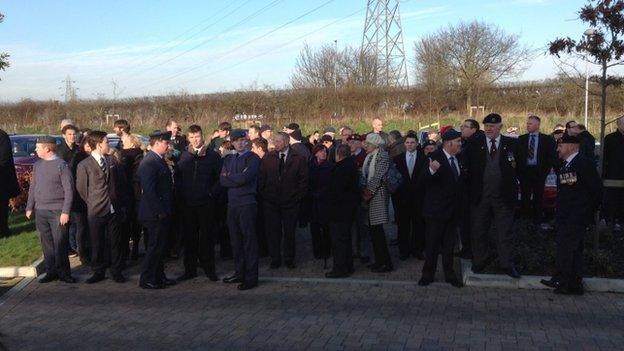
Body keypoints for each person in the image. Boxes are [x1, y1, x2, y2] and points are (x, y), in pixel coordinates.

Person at [541, 135, 602, 295]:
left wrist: (587, 211)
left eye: (560, 146)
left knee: (567, 249)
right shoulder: (567, 164)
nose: (557, 149)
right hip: (567, 215)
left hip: (576, 216)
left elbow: (595, 189)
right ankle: (573, 284)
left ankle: (564, 281)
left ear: (570, 146)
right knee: (572, 250)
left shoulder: (582, 163)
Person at [465, 113, 521, 278]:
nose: (489, 129)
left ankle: (507, 264)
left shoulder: (512, 144)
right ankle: (480, 261)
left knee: (505, 232)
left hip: (503, 197)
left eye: (492, 126)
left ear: (500, 128)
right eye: (486, 126)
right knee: (479, 230)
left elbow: (520, 169)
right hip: (480, 197)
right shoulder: (474, 143)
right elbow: (466, 168)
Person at [76, 131, 129, 284]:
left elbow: (120, 183)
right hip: (96, 209)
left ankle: (116, 271)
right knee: (97, 242)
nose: (109, 145)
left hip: (113, 208)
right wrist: (93, 202)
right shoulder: (84, 165)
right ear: (99, 144)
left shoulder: (111, 160)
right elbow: (81, 189)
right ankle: (98, 271)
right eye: (106, 142)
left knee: (115, 241)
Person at [418, 129, 465, 288]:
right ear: (449, 142)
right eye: (458, 141)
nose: (460, 144)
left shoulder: (458, 158)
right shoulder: (434, 157)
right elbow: (422, 180)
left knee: (449, 246)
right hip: (436, 212)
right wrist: (432, 170)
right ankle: (427, 275)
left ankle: (449, 274)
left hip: (453, 212)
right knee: (432, 245)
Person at [175, 125, 221, 282]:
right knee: (189, 238)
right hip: (187, 204)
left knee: (207, 238)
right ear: (188, 138)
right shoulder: (183, 155)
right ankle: (190, 269)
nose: (195, 140)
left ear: (203, 136)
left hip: (206, 203)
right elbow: (178, 177)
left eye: (198, 137)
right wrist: (182, 193)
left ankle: (209, 269)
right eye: (192, 137)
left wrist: (210, 193)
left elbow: (219, 178)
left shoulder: (213, 156)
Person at [25, 136, 75, 283]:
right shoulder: (37, 165)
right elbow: (33, 187)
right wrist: (29, 207)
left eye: (38, 147)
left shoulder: (62, 165)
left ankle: (64, 273)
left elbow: (69, 190)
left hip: (57, 211)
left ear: (47, 149)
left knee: (60, 243)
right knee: (46, 243)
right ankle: (51, 271)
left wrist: (65, 211)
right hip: (41, 211)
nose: (35, 150)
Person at [259, 132, 309, 269]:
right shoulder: (268, 158)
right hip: (271, 202)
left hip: (291, 203)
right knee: (273, 233)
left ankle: (289, 258)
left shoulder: (298, 158)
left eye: (278, 141)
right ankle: (275, 258)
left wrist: (296, 197)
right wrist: (265, 195)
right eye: (274, 141)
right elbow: (261, 178)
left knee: (289, 232)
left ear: (286, 142)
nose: (275, 144)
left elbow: (303, 181)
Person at [220, 129, 261, 290]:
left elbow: (246, 177)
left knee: (249, 241)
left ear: (247, 141)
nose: (240, 143)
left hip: (247, 204)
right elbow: (222, 181)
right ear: (232, 142)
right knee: (236, 241)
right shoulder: (229, 159)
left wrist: (231, 177)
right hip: (233, 205)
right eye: (236, 140)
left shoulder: (253, 158)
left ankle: (251, 277)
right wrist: (234, 178)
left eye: (242, 140)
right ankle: (239, 272)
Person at [137, 131, 177, 289]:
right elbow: (149, 190)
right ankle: (147, 278)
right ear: (158, 142)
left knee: (160, 247)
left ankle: (159, 276)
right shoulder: (149, 162)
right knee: (154, 247)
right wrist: (159, 211)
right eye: (166, 143)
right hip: (154, 213)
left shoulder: (157, 160)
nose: (168, 146)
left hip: (161, 211)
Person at [326, 144, 359, 278]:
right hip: (348, 209)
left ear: (338, 155)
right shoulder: (351, 166)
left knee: (339, 241)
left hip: (339, 211)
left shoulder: (340, 169)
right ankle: (348, 265)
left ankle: (340, 268)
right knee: (346, 239)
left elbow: (335, 191)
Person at [361, 133, 393, 272]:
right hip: (370, 195)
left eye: (367, 144)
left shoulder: (382, 155)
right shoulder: (370, 156)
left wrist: (367, 193)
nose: (365, 146)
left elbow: (378, 176)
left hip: (377, 196)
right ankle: (379, 260)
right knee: (374, 232)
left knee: (378, 231)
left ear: (374, 144)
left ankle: (386, 262)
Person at [393, 133, 427, 260]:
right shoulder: (398, 159)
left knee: (418, 224)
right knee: (403, 225)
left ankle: (417, 249)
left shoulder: (424, 158)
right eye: (407, 142)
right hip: (403, 198)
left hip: (419, 197)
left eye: (412, 142)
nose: (409, 145)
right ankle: (404, 251)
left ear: (417, 143)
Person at [517, 115, 556, 227]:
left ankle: (537, 219)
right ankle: (525, 219)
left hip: (539, 172)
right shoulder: (522, 139)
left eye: (530, 123)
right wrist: (519, 172)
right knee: (525, 196)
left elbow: (550, 156)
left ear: (537, 125)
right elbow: (518, 155)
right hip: (525, 172)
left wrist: (545, 171)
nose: (527, 125)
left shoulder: (547, 139)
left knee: (538, 196)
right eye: (527, 123)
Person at [456, 119, 482, 259]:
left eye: (465, 126)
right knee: (464, 222)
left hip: (471, 191)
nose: (462, 128)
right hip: (465, 190)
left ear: (474, 129)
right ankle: (466, 248)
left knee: (469, 222)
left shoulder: (475, 143)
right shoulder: (467, 142)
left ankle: (470, 250)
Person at [118, 134, 145, 260]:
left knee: (125, 224)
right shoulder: (141, 155)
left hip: (125, 193)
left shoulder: (121, 155)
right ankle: (134, 249)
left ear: (132, 143)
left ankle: (125, 251)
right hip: (136, 193)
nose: (123, 143)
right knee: (135, 224)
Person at [68, 133, 91, 263]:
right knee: (81, 227)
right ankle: (82, 253)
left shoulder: (88, 157)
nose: (89, 148)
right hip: (79, 199)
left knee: (87, 227)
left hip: (88, 199)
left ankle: (88, 250)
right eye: (87, 145)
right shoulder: (79, 158)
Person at [308, 144, 333, 260]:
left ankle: (327, 250)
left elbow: (330, 184)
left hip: (325, 201)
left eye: (325, 151)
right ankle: (317, 251)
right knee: (314, 228)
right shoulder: (310, 166)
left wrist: (322, 193)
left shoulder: (329, 166)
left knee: (326, 227)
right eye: (321, 151)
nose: (324, 153)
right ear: (316, 153)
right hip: (313, 201)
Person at [603, 116, 624, 230]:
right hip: (614, 174)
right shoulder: (610, 138)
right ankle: (613, 220)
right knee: (614, 199)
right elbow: (605, 156)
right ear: (618, 124)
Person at [251, 138, 269, 257]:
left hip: (265, 200)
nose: (251, 150)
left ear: (259, 148)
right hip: (260, 198)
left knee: (264, 227)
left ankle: (264, 250)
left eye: (253, 148)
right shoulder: (258, 161)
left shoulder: (267, 162)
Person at [0, 128, 20, 237]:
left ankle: (3, 231)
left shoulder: (2, 136)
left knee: (2, 209)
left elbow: (4, 158)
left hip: (2, 180)